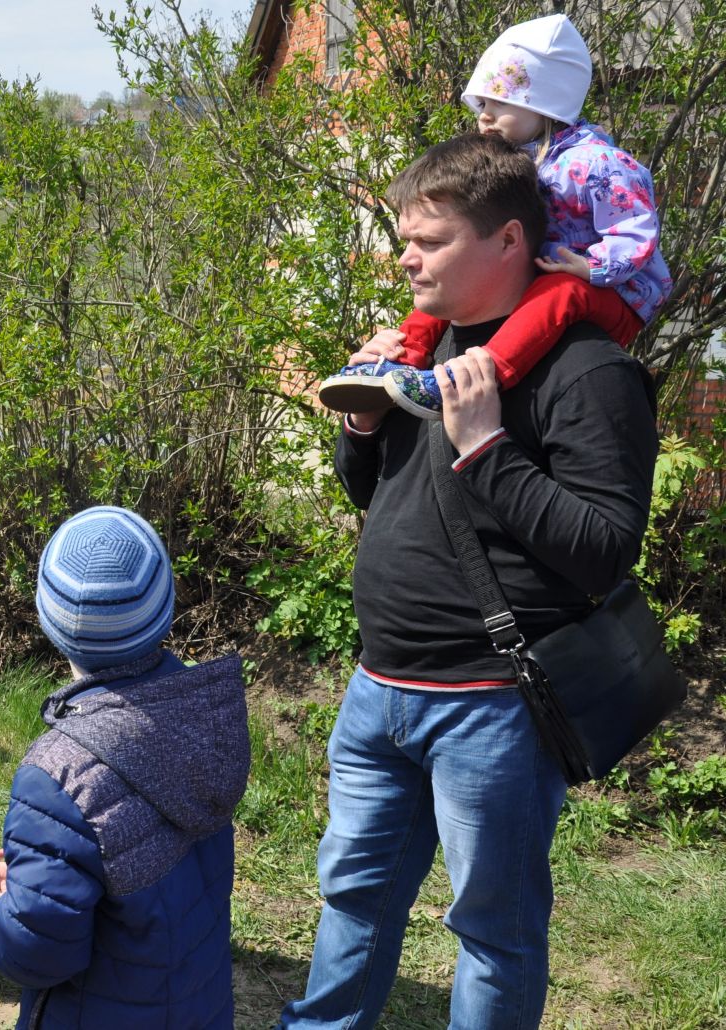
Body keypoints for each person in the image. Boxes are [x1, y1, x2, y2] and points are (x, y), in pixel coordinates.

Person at [279, 133, 660, 1028]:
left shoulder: (588, 373)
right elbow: (377, 496)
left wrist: (486, 444)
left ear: (509, 243)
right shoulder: (430, 347)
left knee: (491, 930)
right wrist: (366, 424)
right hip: (378, 689)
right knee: (351, 900)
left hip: (492, 706)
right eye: (405, 238)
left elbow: (605, 547)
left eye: (430, 240)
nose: (405, 258)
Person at [0, 506, 249, 1028]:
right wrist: (47, 879)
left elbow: (38, 952)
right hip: (194, 1001)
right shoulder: (203, 713)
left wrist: (9, 906)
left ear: (50, 623)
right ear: (164, 607)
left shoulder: (57, 778)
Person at [318, 13, 671, 420]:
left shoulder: (599, 162)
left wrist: (590, 268)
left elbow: (636, 232)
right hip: (550, 274)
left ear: (545, 102)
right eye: (481, 104)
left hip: (618, 291)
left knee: (558, 293)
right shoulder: (521, 159)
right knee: (443, 296)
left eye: (499, 102)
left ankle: (481, 372)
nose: (484, 115)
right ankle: (399, 361)